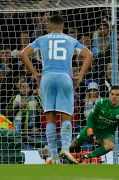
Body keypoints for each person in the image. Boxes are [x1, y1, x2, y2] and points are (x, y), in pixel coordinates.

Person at [20, 15, 93, 164]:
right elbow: (89, 55)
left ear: (48, 26)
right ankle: (65, 149)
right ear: (63, 27)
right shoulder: (71, 40)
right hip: (65, 77)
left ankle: (53, 156)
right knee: (66, 116)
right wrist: (79, 76)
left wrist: (34, 73)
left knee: (50, 118)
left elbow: (23, 54)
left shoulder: (42, 39)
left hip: (47, 78)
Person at [68, 85, 119, 164]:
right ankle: (57, 158)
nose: (114, 97)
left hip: (106, 133)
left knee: (110, 145)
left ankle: (87, 157)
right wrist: (90, 131)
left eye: (117, 95)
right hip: (93, 128)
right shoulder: (100, 103)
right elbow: (90, 118)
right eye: (112, 94)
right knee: (73, 145)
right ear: (109, 94)